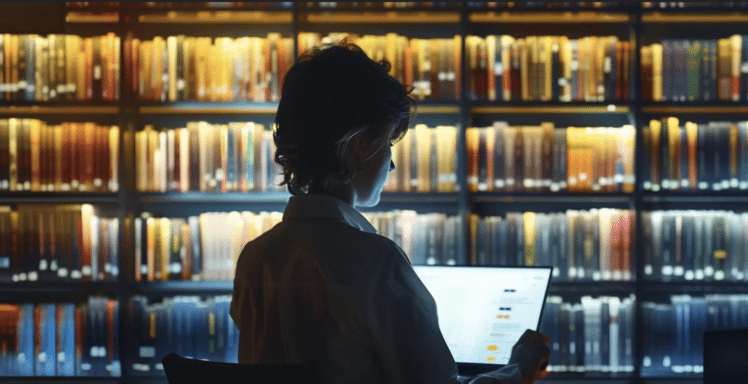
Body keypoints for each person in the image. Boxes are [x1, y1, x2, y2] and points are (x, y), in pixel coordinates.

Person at [229, 41, 551, 384]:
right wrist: (518, 372)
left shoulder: (254, 259)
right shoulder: (375, 263)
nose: (393, 164)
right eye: (388, 145)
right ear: (360, 147)